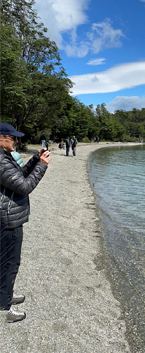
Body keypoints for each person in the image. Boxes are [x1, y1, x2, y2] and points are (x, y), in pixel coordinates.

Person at [0, 122, 50, 323]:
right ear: (1, 137)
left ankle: (5, 294)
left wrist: (35, 159)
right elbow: (24, 186)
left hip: (8, 217)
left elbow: (18, 175)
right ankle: (5, 306)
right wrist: (42, 167)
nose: (17, 141)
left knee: (7, 262)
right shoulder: (1, 161)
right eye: (13, 137)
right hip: (8, 220)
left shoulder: (5, 157)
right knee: (9, 263)